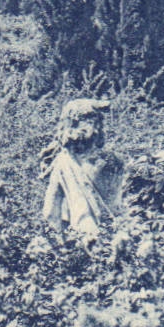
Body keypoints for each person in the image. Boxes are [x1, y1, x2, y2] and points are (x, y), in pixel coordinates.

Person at [41, 98, 125, 236]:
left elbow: (118, 203)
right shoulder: (64, 162)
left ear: (98, 125)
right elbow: (51, 210)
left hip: (113, 233)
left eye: (91, 122)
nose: (86, 127)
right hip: (84, 233)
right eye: (81, 121)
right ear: (70, 126)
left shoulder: (113, 161)